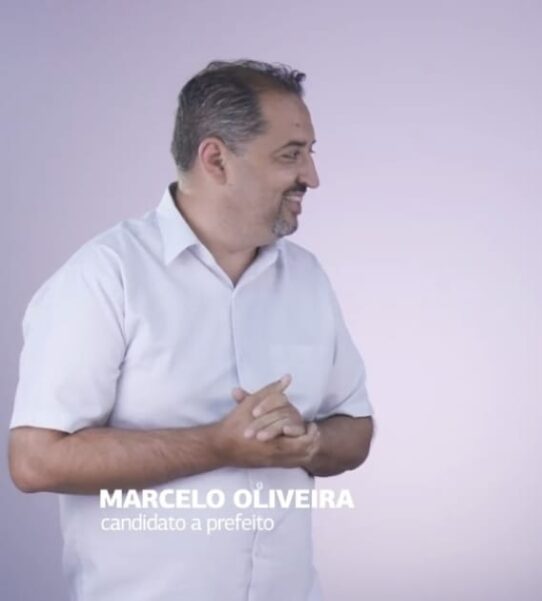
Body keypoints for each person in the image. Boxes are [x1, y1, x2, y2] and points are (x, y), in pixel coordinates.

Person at [8, 60, 374, 600]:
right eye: (290, 154)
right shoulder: (106, 276)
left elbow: (355, 427)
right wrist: (217, 445)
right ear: (216, 159)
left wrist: (310, 441)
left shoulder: (307, 278)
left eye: (309, 153)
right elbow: (35, 460)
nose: (311, 176)